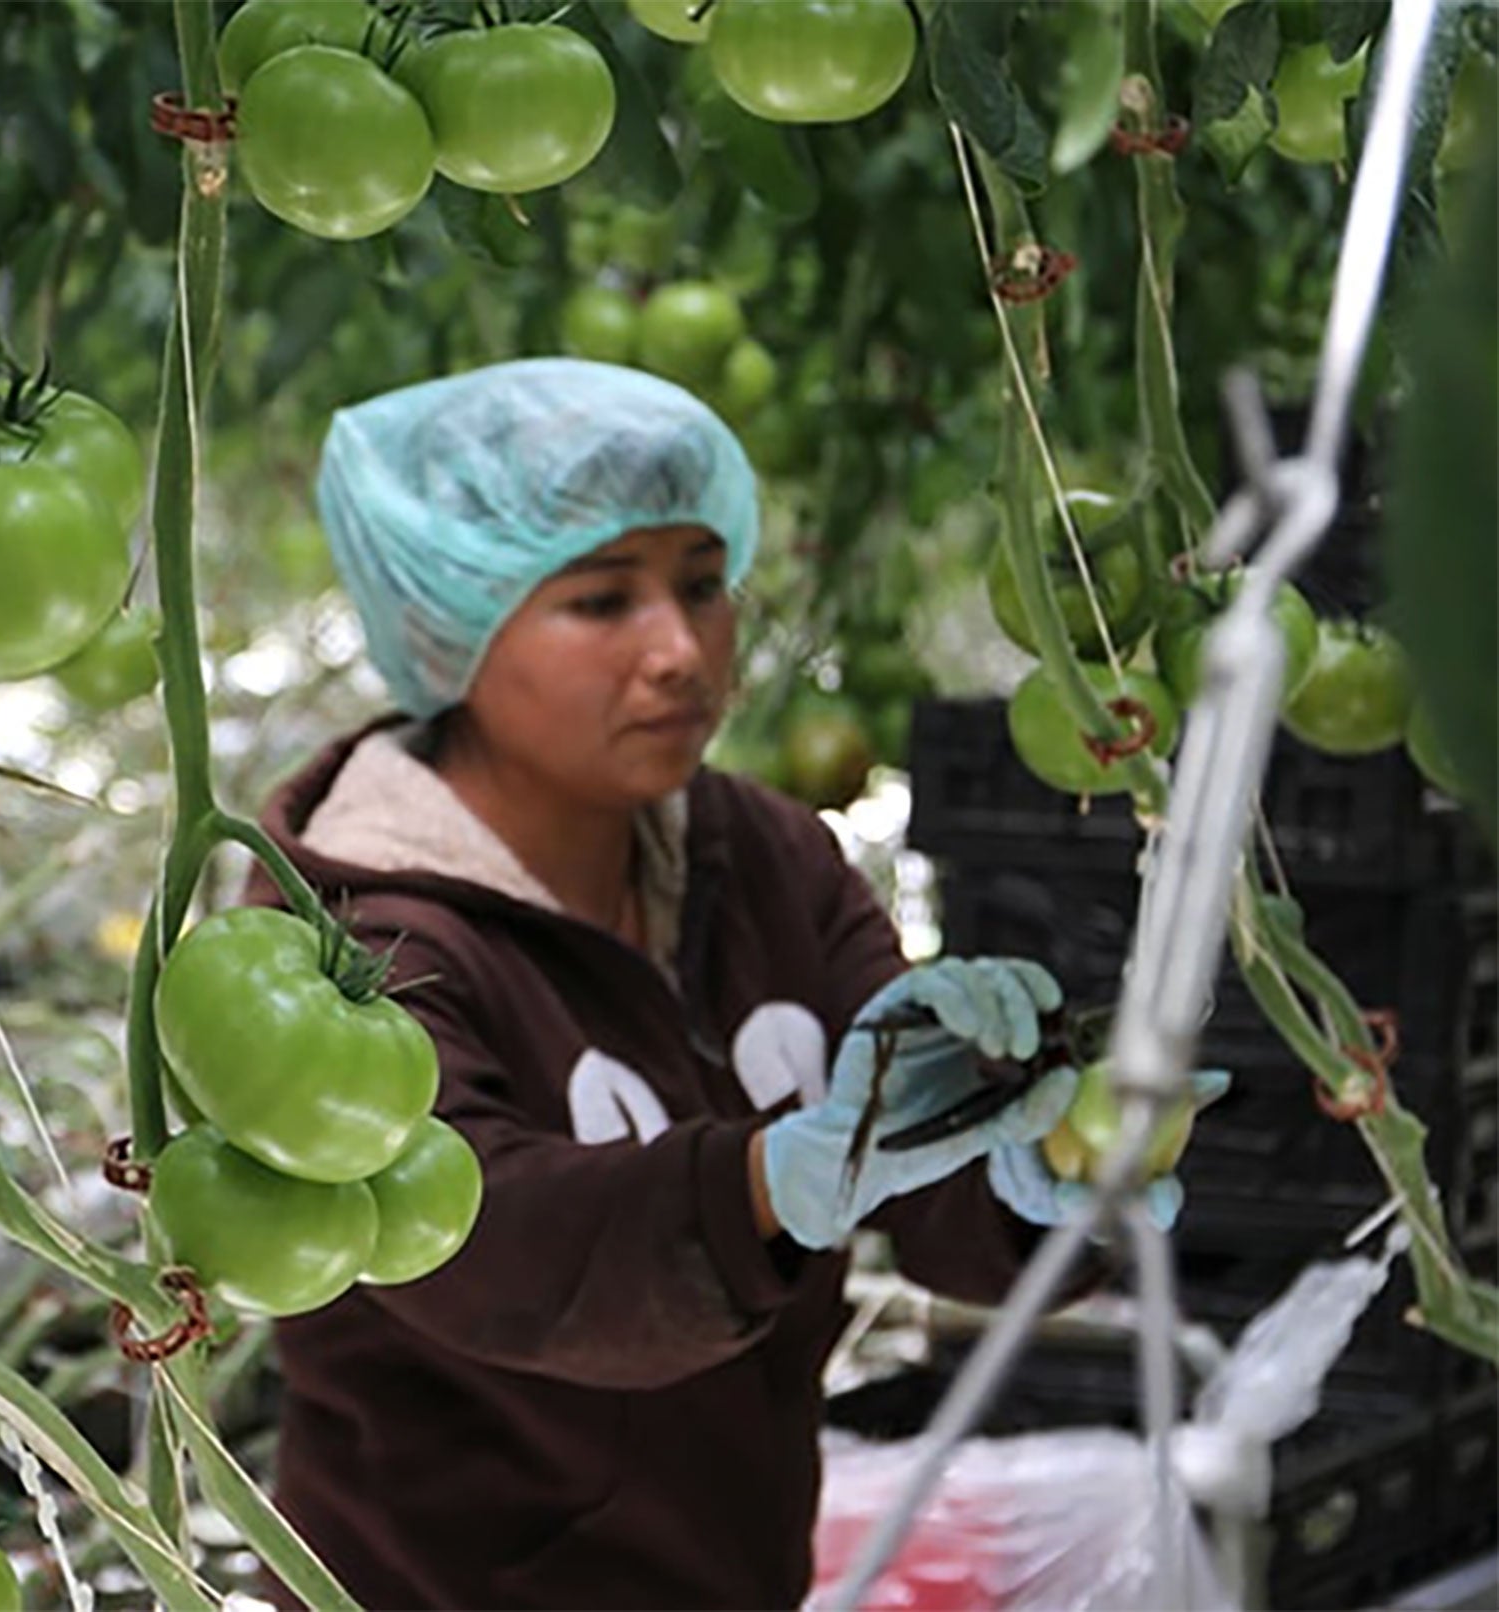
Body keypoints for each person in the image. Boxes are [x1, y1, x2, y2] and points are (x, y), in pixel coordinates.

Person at [240, 359, 1225, 1610]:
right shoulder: (340, 941)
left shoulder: (764, 859)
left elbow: (930, 1198)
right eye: (602, 601)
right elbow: (477, 1243)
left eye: (703, 586)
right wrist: (770, 1178)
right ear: (450, 621)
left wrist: (1042, 1162)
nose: (679, 649)